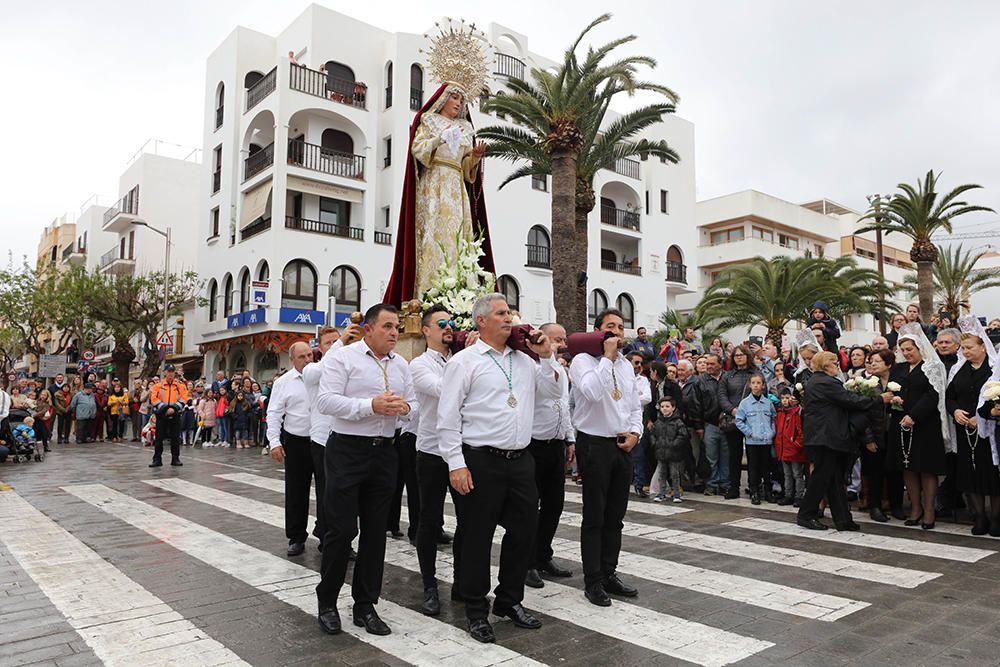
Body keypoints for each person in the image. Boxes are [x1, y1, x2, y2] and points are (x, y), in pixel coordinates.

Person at [437, 295, 555, 643]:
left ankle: (509, 600)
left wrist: (546, 356)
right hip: (480, 460)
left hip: (520, 461)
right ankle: (475, 608)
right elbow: (447, 417)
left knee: (523, 531)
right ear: (481, 321)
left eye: (510, 314)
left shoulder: (525, 360)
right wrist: (456, 464)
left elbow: (551, 392)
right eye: (502, 314)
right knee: (477, 535)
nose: (509, 319)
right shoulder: (465, 362)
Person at [315, 304, 416, 637]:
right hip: (347, 450)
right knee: (342, 531)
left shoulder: (401, 364)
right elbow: (326, 401)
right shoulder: (343, 357)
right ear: (368, 329)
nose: (394, 333)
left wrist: (404, 409)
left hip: (385, 453)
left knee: (376, 533)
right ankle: (327, 601)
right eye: (387, 326)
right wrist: (369, 406)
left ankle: (365, 604)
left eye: (397, 327)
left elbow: (413, 406)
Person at [383, 84, 495, 304]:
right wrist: (439, 138)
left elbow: (465, 168)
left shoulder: (466, 128)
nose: (458, 103)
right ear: (443, 99)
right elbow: (418, 149)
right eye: (454, 97)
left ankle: (460, 295)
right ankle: (429, 293)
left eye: (461, 100)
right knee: (433, 237)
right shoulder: (429, 120)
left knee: (459, 238)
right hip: (434, 183)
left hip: (456, 186)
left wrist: (475, 157)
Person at [570, 308, 643, 608]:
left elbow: (634, 405)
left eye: (621, 327)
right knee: (595, 516)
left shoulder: (627, 365)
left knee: (616, 516)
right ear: (598, 330)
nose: (617, 332)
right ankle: (593, 579)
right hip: (594, 445)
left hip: (621, 445)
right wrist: (607, 358)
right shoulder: (582, 361)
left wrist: (636, 433)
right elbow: (591, 393)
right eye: (610, 326)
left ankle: (610, 572)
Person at [409, 307, 466, 615]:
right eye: (442, 323)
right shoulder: (419, 365)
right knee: (429, 521)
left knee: (467, 519)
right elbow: (447, 392)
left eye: (452, 322)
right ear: (426, 330)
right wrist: (464, 361)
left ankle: (461, 582)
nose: (449, 327)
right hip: (432, 452)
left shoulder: (460, 360)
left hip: (461, 451)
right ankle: (429, 585)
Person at [797, 352, 892, 530]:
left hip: (825, 437)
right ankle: (806, 514)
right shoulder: (824, 382)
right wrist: (879, 399)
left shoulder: (818, 381)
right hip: (826, 437)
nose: (838, 365)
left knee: (834, 479)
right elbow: (850, 400)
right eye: (835, 363)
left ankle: (843, 519)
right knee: (821, 478)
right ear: (826, 365)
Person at [303, 324, 361, 552]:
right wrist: (340, 344)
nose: (334, 345)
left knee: (348, 493)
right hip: (323, 440)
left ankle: (340, 537)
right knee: (328, 491)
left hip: (348, 438)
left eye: (335, 341)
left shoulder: (347, 367)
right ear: (320, 347)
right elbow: (324, 369)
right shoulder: (312, 369)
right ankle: (329, 537)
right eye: (328, 343)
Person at [525, 322, 575, 589]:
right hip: (533, 444)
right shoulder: (531, 368)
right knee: (530, 507)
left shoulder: (561, 369)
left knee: (554, 505)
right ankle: (528, 562)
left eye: (563, 340)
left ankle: (544, 555)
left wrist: (569, 438)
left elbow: (563, 406)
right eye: (557, 339)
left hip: (555, 444)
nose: (562, 344)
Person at [886, 325, 950, 530]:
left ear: (920, 347)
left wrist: (914, 415)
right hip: (900, 423)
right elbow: (892, 389)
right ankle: (915, 508)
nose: (906, 353)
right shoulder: (899, 368)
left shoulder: (932, 366)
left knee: (926, 468)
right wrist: (893, 400)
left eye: (910, 349)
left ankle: (929, 510)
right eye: (903, 350)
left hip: (925, 425)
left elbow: (933, 395)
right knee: (908, 467)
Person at [946, 323, 998, 535]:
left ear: (983, 347)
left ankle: (996, 518)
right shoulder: (959, 370)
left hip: (988, 430)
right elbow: (949, 396)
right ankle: (979, 517)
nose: (966, 351)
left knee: (992, 474)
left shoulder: (994, 369)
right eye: (963, 348)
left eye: (969, 347)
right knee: (971, 473)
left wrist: (981, 415)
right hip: (965, 429)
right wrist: (955, 411)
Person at [267, 342, 315, 556]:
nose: (307, 360)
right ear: (292, 360)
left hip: (322, 440)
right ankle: (296, 537)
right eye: (302, 357)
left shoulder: (324, 375)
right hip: (296, 441)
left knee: (329, 491)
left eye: (310, 355)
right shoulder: (283, 383)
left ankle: (327, 535)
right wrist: (274, 442)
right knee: (296, 491)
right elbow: (274, 413)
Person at [862, 349, 905, 522]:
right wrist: (868, 439)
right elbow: (862, 414)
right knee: (875, 472)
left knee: (896, 472)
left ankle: (897, 506)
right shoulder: (866, 384)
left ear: (888, 364)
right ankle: (875, 506)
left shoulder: (900, 381)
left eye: (877, 361)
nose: (873, 364)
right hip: (874, 434)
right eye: (871, 361)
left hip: (894, 433)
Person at [718, 345, 755, 499]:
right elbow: (721, 396)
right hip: (733, 419)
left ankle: (754, 489)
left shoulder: (755, 373)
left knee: (753, 457)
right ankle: (734, 487)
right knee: (734, 455)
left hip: (752, 419)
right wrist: (733, 410)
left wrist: (747, 411)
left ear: (747, 356)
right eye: (736, 355)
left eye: (742, 355)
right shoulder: (727, 376)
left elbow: (761, 392)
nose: (739, 357)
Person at [736, 373, 777, 505]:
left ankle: (768, 491)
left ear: (763, 385)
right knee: (753, 467)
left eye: (758, 383)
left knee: (766, 466)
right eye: (753, 383)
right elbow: (739, 420)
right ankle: (754, 491)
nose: (756, 385)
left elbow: (773, 418)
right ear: (749, 385)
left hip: (766, 440)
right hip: (752, 441)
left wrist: (772, 431)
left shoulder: (768, 403)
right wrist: (749, 433)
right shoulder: (745, 403)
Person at [650, 396, 690, 503]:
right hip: (661, 452)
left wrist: (674, 444)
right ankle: (661, 493)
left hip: (674, 453)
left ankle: (676, 493)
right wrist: (655, 443)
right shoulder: (658, 422)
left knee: (674, 474)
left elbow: (683, 435)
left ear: (673, 408)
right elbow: (652, 434)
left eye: (667, 406)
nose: (664, 409)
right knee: (661, 474)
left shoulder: (678, 422)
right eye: (662, 406)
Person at [149, 364, 189, 467]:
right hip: (162, 414)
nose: (170, 373)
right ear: (165, 372)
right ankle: (157, 459)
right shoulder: (158, 385)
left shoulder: (180, 385)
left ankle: (175, 459)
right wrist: (165, 408)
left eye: (172, 371)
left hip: (175, 413)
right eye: (169, 371)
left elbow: (184, 398)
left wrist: (174, 408)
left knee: (175, 438)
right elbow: (153, 398)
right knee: (159, 438)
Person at [774, 388, 805, 506]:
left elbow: (800, 431)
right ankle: (788, 495)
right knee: (787, 474)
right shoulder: (780, 413)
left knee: (797, 474)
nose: (785, 401)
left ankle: (799, 496)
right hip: (783, 448)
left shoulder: (796, 412)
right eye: (782, 398)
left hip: (794, 449)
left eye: (787, 398)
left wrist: (797, 444)